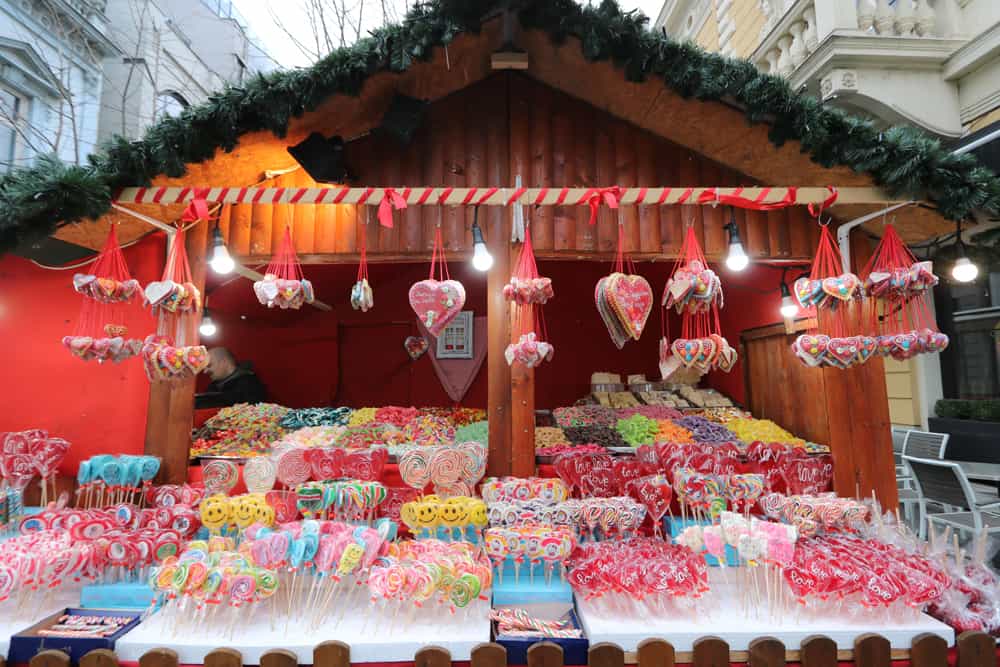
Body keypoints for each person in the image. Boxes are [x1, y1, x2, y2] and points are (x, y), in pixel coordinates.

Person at [194, 348, 268, 409]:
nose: (205, 371)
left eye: (209, 365)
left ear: (224, 362)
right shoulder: (213, 386)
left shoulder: (250, 385)